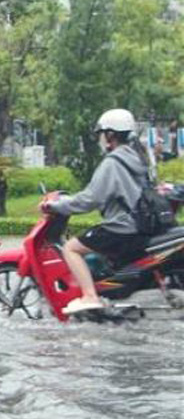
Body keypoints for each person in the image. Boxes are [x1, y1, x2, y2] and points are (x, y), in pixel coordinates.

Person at [40, 108, 150, 314]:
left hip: (121, 227)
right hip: (139, 225)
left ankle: (90, 296)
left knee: (71, 248)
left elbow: (90, 200)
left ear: (110, 135)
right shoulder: (137, 158)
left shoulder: (113, 162)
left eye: (102, 134)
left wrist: (55, 205)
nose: (100, 139)